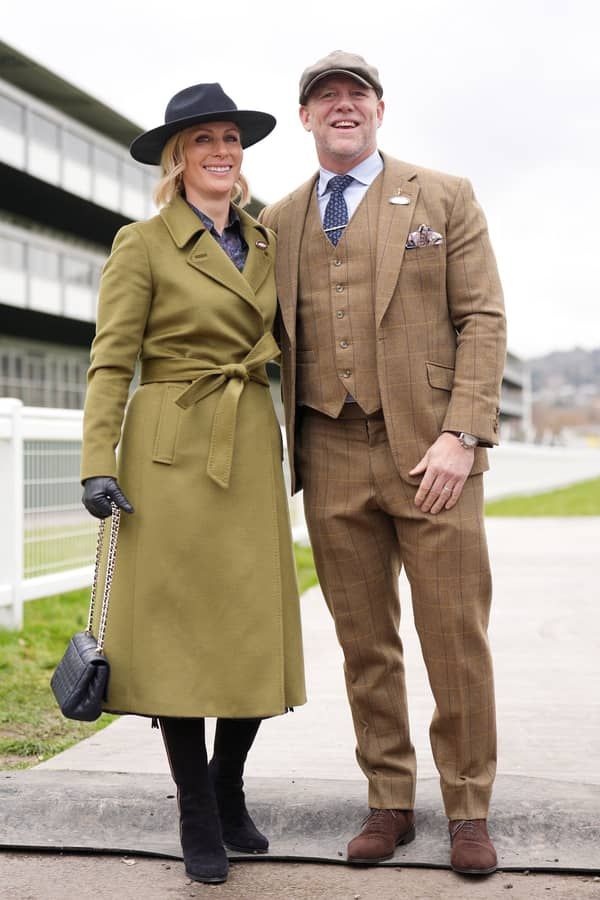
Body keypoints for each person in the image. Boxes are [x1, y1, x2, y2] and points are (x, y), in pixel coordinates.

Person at [260, 51, 506, 875]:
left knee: (454, 638)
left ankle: (468, 807)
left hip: (433, 454)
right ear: (304, 117)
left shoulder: (444, 195)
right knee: (365, 644)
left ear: (379, 109)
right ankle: (389, 801)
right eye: (325, 97)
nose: (342, 106)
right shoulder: (278, 220)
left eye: (355, 94)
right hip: (329, 448)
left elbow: (483, 319)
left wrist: (462, 435)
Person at [79, 82, 306, 885]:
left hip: (248, 444)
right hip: (169, 450)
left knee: (251, 624)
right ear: (178, 158)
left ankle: (227, 782)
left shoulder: (268, 240)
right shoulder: (141, 242)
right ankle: (196, 811)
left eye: (231, 140)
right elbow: (112, 359)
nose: (221, 152)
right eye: (204, 140)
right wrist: (98, 461)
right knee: (177, 631)